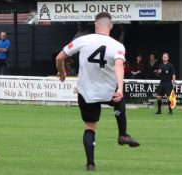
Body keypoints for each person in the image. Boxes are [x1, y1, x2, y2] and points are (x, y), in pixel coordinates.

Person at [55, 12, 140, 171]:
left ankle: (90, 163)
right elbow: (119, 66)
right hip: (108, 90)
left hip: (87, 92)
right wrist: (120, 88)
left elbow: (59, 58)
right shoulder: (117, 45)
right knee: (118, 99)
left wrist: (63, 72)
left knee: (90, 127)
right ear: (111, 26)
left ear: (95, 25)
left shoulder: (82, 40)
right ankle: (122, 133)